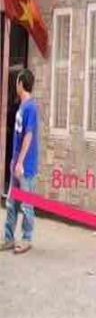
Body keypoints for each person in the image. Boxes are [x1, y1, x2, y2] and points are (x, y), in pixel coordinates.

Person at [0, 69, 39, 254]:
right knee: (11, 203)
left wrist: (20, 162)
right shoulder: (22, 106)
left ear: (21, 83)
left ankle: (26, 239)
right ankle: (9, 238)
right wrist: (13, 161)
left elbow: (28, 136)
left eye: (17, 81)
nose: (15, 84)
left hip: (26, 167)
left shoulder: (31, 107)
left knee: (26, 204)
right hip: (16, 163)